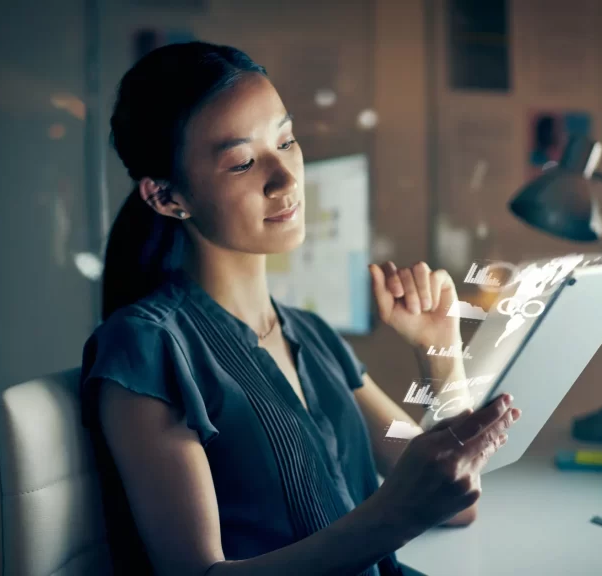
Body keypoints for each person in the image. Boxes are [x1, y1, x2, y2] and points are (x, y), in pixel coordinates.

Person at [80, 42, 522, 576]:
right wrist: (394, 515)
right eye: (242, 162)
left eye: (286, 141)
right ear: (166, 197)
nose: (287, 179)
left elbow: (457, 500)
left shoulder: (311, 335)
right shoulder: (147, 347)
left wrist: (441, 356)